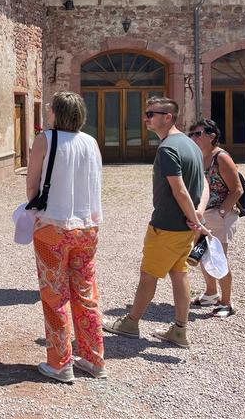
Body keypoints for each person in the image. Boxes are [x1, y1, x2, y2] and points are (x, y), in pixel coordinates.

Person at [104, 96, 210, 348]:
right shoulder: (190, 145)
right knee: (179, 273)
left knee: (148, 276)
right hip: (184, 227)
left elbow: (180, 190)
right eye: (146, 113)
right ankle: (180, 330)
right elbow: (204, 184)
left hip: (167, 226)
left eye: (151, 114)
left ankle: (131, 323)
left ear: (168, 117)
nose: (146, 118)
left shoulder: (168, 149)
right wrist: (197, 215)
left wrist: (194, 216)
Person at [26, 92, 105, 383]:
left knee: (54, 294)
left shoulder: (45, 139)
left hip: (53, 226)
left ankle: (60, 362)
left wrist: (32, 211)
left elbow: (32, 184)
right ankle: (94, 358)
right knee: (85, 292)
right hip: (88, 227)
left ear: (57, 112)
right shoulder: (91, 142)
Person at [187, 118, 242, 318]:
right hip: (204, 214)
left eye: (198, 134)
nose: (193, 137)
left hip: (221, 214)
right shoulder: (199, 156)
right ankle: (211, 293)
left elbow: (237, 190)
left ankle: (227, 302)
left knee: (219, 257)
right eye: (191, 134)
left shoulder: (221, 157)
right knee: (201, 255)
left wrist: (220, 212)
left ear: (212, 136)